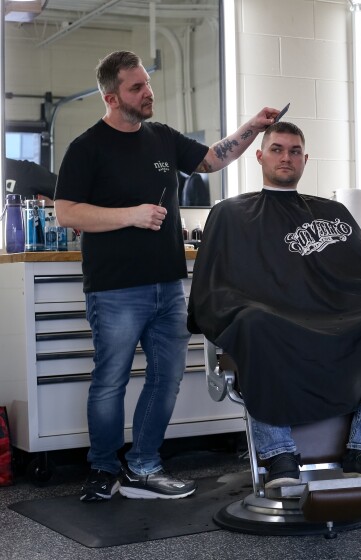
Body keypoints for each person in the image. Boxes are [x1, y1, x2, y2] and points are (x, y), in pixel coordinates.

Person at [53, 51, 283, 502]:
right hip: (115, 290)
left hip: (168, 286)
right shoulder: (87, 147)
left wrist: (254, 126)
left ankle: (143, 464)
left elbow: (213, 159)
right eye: (136, 87)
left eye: (147, 83)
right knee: (110, 380)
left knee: (166, 378)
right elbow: (66, 212)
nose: (147, 92)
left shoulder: (161, 138)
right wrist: (131, 216)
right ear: (111, 97)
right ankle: (102, 469)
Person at [187, 121, 361, 487]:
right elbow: (217, 289)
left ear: (305, 160)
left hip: (332, 315)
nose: (286, 157)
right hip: (273, 321)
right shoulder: (230, 213)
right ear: (259, 156)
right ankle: (279, 457)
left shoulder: (332, 212)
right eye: (277, 149)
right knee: (255, 324)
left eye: (294, 151)